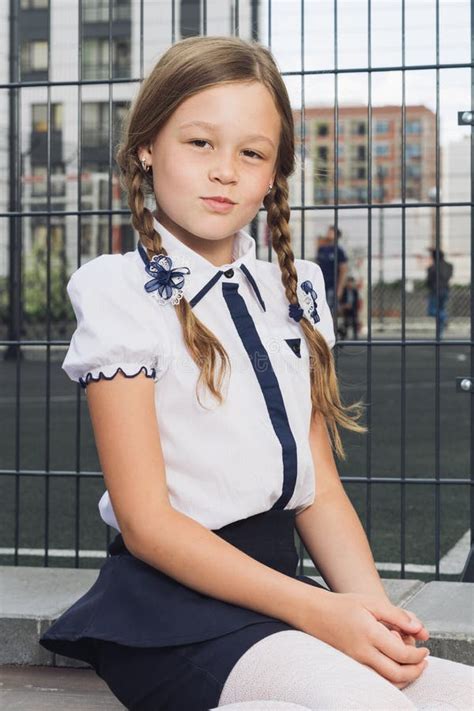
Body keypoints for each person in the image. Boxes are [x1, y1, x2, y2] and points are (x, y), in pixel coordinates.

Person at [39, 36, 473, 711]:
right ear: (147, 147)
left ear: (274, 174)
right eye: (200, 143)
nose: (225, 171)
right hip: (172, 617)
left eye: (251, 152)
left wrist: (369, 612)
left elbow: (320, 490)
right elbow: (147, 522)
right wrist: (319, 611)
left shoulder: (295, 292)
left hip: (278, 597)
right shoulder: (120, 292)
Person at [315, 224, 349, 313]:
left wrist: (340, 288)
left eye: (331, 231)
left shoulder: (339, 251)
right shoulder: (321, 249)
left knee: (329, 310)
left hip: (332, 285)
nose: (328, 233)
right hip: (321, 283)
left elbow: (343, 270)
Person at [426, 248, 453, 337]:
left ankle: (444, 318)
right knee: (441, 309)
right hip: (445, 290)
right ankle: (439, 334)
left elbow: (429, 281)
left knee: (432, 311)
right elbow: (449, 277)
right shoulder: (449, 266)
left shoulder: (432, 268)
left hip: (435, 291)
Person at [339, 275, 360, 340]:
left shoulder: (355, 291)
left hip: (353, 309)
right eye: (349, 282)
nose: (350, 284)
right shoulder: (344, 291)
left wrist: (353, 307)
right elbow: (341, 300)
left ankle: (355, 335)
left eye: (351, 282)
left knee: (354, 320)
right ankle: (344, 335)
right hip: (345, 309)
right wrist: (344, 305)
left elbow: (356, 301)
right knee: (346, 322)